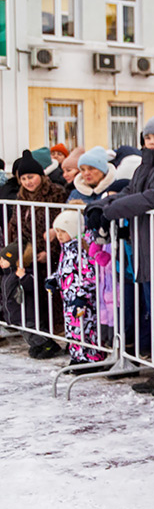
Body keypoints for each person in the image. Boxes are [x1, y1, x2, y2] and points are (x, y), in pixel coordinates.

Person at [88, 116, 154, 398]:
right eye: (148, 137)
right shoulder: (145, 165)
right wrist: (101, 204)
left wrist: (110, 211)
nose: (152, 142)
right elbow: (131, 191)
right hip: (145, 251)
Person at [1, 150, 69, 358]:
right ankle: (42, 339)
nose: (28, 182)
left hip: (51, 255)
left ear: (41, 175)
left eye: (31, 177)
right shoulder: (21, 197)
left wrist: (50, 252)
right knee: (31, 301)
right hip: (28, 257)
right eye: (23, 178)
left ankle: (60, 339)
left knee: (52, 299)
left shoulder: (56, 194)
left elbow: (62, 226)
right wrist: (17, 252)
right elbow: (15, 227)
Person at [47, 209, 103, 365]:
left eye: (63, 231)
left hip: (82, 298)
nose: (59, 235)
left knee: (86, 327)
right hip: (68, 296)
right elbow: (64, 269)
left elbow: (89, 274)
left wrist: (82, 295)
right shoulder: (66, 248)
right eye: (57, 231)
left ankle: (91, 358)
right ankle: (77, 356)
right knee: (72, 328)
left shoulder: (82, 249)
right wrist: (54, 279)